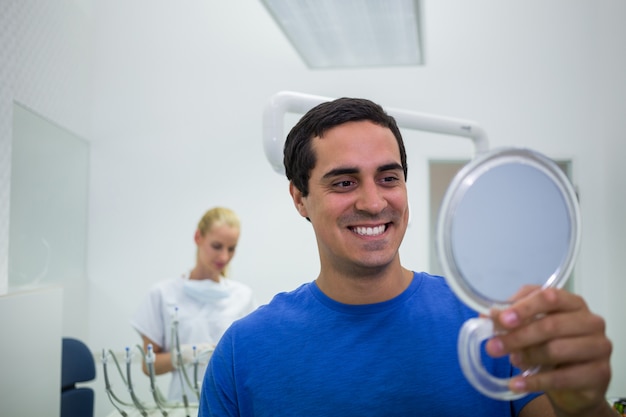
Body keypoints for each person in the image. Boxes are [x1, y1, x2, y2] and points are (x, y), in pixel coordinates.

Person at [199, 98, 614, 416]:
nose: (374, 202)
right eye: (344, 182)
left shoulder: (493, 324)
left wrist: (589, 403)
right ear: (300, 198)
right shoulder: (244, 352)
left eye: (388, 178)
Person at [131, 206, 257, 402]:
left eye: (231, 249)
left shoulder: (242, 296)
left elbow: (251, 363)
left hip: (232, 407)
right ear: (198, 237)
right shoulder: (163, 294)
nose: (224, 257)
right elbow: (148, 366)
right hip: (182, 405)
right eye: (216, 246)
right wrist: (183, 355)